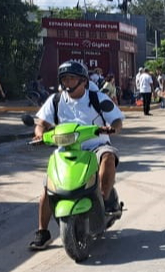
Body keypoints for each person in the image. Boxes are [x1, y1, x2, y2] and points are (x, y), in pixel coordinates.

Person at [27, 60, 125, 250]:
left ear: (83, 81)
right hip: (66, 149)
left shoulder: (97, 98)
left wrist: (112, 129)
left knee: (108, 157)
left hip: (95, 145)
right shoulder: (56, 100)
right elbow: (41, 123)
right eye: (65, 78)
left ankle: (104, 201)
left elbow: (117, 120)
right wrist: (39, 133)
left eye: (72, 78)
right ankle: (43, 232)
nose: (68, 82)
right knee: (48, 187)